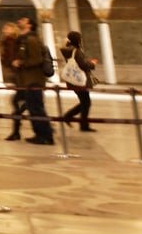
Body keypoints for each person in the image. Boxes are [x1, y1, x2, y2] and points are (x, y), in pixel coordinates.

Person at [12, 16, 56, 145]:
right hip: (27, 80)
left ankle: (46, 136)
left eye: (23, 20)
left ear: (29, 25)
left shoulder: (31, 40)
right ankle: (40, 134)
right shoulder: (24, 40)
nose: (20, 21)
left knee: (37, 108)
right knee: (33, 108)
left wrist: (20, 63)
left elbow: (37, 59)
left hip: (34, 80)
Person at [59, 30, 97, 132]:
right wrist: (92, 64)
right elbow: (83, 65)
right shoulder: (77, 51)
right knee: (86, 103)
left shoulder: (68, 50)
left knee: (84, 102)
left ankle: (70, 117)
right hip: (80, 81)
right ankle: (78, 122)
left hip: (73, 80)